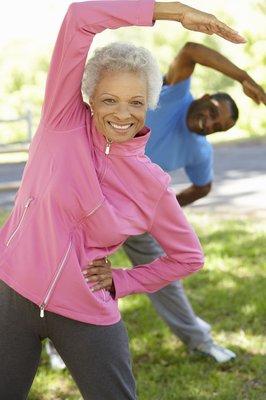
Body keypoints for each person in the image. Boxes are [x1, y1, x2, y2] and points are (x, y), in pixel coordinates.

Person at [0, 1, 245, 398]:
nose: (122, 114)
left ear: (149, 103)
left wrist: (122, 281)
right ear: (90, 98)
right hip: (12, 291)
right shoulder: (61, 121)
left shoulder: (152, 184)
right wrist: (176, 13)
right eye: (109, 99)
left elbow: (189, 257)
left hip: (85, 310)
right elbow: (81, 17)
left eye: (135, 102)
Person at [122, 42, 266, 363]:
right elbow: (189, 50)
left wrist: (158, 213)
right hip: (91, 191)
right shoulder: (173, 96)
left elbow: (203, 187)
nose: (209, 123)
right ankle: (55, 339)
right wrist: (243, 76)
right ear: (203, 98)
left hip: (134, 213)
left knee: (164, 278)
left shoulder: (200, 150)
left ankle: (199, 341)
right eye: (213, 112)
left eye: (218, 127)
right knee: (70, 266)